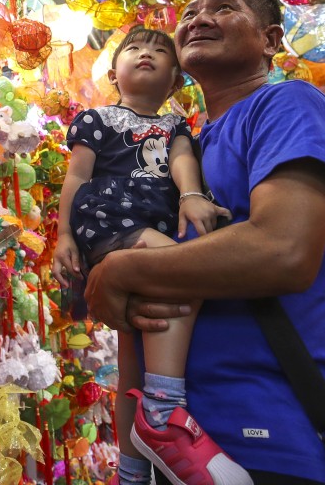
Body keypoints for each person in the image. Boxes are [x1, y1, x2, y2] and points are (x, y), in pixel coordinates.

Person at [85, 0, 325, 485]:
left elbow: (283, 250)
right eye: (189, 13)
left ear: (272, 41)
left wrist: (124, 270)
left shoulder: (287, 105)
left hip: (264, 426)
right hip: (175, 436)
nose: (198, 18)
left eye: (224, 7)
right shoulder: (186, 144)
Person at [52, 27, 249, 485]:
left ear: (177, 80)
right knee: (188, 273)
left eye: (160, 52)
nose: (146, 54)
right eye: (135, 49)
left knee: (131, 360)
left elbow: (182, 161)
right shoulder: (95, 119)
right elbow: (76, 179)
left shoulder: (177, 126)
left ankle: (133, 467)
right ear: (115, 73)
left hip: (153, 222)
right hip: (109, 218)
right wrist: (63, 234)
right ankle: (163, 411)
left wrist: (191, 195)